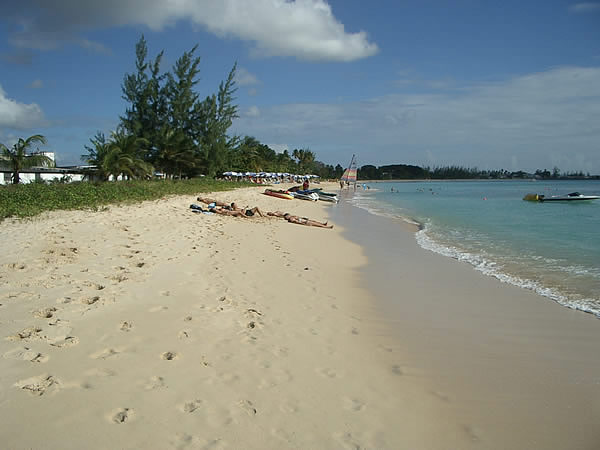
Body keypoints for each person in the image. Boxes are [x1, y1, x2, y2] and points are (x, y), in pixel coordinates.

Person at [267, 211, 333, 228]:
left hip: (300, 218)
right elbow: (295, 222)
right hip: (301, 220)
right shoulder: (290, 218)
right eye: (270, 213)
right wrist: (303, 223)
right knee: (314, 224)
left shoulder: (278, 213)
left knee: (314, 221)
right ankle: (327, 227)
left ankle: (323, 224)